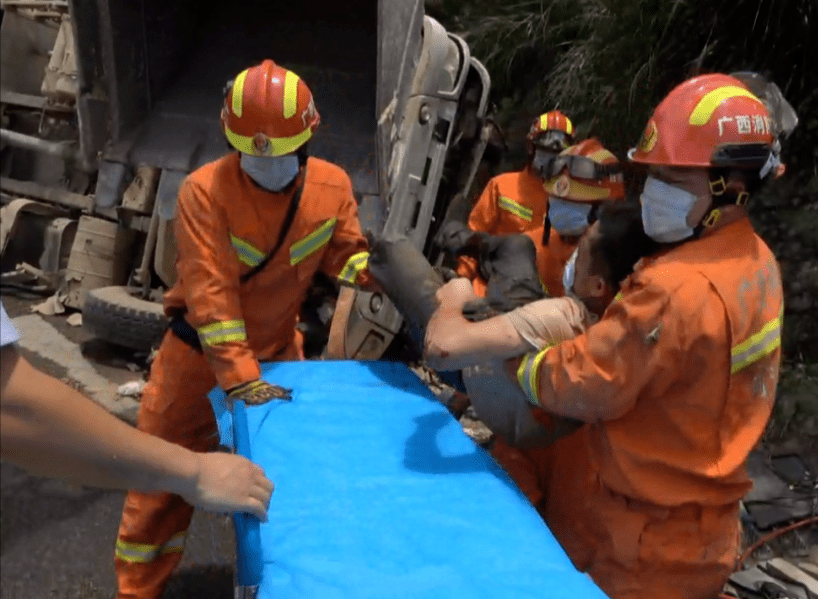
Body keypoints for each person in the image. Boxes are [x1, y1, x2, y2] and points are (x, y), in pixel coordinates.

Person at [499, 72, 795, 598]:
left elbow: (591, 380)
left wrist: (523, 367)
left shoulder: (672, 288)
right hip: (706, 531)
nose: (656, 191)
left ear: (734, 185)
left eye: (676, 180)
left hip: (640, 544)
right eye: (655, 173)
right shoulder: (758, 264)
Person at [114, 59, 379, 599]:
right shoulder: (203, 192)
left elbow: (348, 259)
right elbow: (213, 300)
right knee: (160, 490)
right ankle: (137, 593)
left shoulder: (332, 188)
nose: (267, 163)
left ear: (307, 139)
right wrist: (242, 381)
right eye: (254, 151)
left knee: (282, 487)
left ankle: (276, 587)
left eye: (280, 152)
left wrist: (388, 276)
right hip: (196, 367)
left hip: (280, 358)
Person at [425, 200, 658, 459]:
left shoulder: (570, 321)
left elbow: (442, 348)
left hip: (511, 383)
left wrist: (457, 294)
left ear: (599, 286)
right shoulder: (634, 303)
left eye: (579, 257)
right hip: (521, 330)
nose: (572, 262)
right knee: (516, 247)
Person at [0, 301, 273, 520]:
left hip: (255, 348)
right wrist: (195, 472)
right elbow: (11, 401)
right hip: (201, 350)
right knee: (151, 508)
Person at [455, 110, 576, 289]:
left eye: (559, 153)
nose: (552, 157)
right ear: (530, 147)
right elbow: (474, 238)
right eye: (546, 149)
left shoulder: (574, 204)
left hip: (536, 302)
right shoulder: (501, 186)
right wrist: (461, 279)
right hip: (488, 290)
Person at [523, 138, 626, 297]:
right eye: (558, 201)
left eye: (575, 204)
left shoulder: (621, 262)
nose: (563, 209)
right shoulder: (529, 245)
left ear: (606, 208)